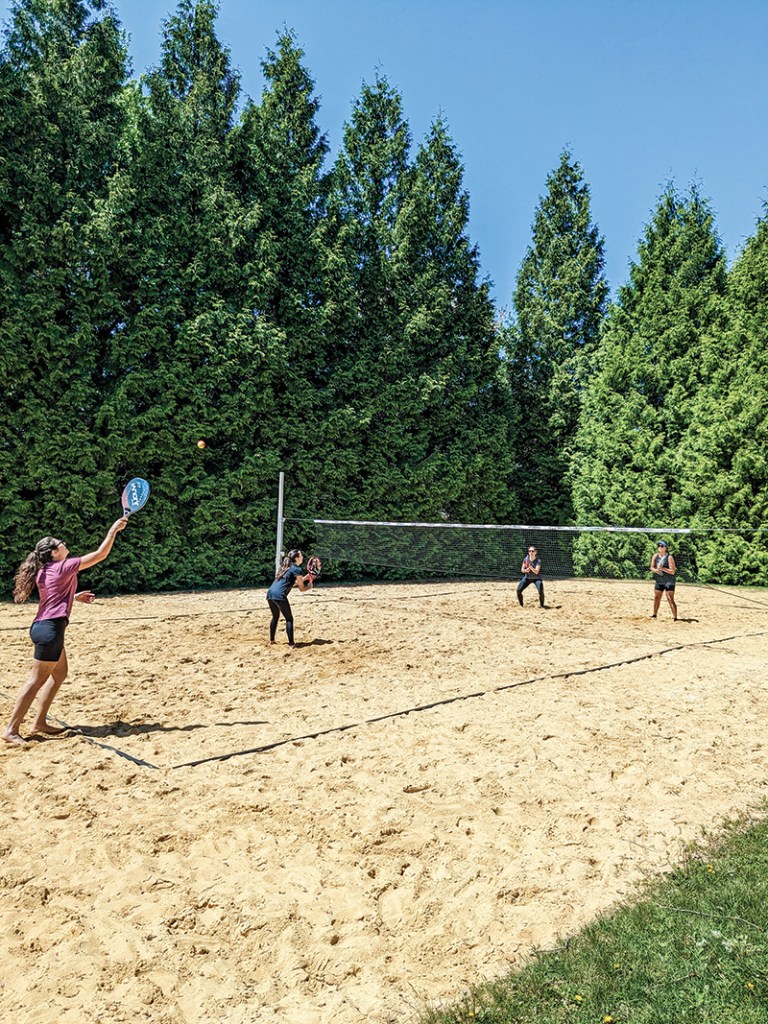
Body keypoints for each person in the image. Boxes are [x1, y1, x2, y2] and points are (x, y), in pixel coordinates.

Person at [3, 517, 128, 746]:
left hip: (43, 626)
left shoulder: (44, 571)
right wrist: (113, 531)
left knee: (59, 674)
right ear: (53, 552)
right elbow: (100, 554)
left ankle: (39, 722)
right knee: (35, 681)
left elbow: (52, 597)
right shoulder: (63, 566)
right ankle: (11, 730)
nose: (64, 543)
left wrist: (73, 596)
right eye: (60, 543)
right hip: (50, 630)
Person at [267, 549, 312, 648]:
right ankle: (291, 644)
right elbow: (301, 588)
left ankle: (272, 640)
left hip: (270, 593)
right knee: (289, 619)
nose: (303, 557)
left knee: (275, 616)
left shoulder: (285, 567)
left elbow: (290, 583)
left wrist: (304, 578)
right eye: (301, 556)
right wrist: (309, 586)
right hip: (279, 595)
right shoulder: (297, 569)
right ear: (296, 558)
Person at [649, 539, 677, 620]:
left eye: (662, 546)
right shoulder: (655, 556)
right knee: (657, 597)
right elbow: (651, 567)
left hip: (669, 581)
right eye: (659, 546)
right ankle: (654, 614)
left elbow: (672, 571)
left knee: (670, 598)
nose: (660, 547)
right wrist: (655, 570)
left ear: (666, 548)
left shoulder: (669, 557)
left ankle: (675, 617)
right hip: (659, 580)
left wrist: (663, 568)